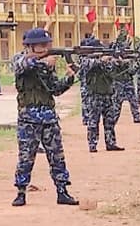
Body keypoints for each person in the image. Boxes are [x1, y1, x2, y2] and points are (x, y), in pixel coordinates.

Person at [9, 28, 78, 207]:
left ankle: (62, 191)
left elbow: (55, 89)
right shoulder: (20, 59)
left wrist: (69, 79)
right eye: (41, 45)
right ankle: (21, 192)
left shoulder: (48, 64)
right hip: (28, 118)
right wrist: (43, 62)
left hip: (49, 117)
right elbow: (21, 66)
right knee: (26, 158)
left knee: (57, 157)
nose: (46, 47)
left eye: (47, 45)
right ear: (30, 46)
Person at [77, 42, 124, 152]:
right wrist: (100, 60)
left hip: (108, 94)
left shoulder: (107, 60)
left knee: (110, 121)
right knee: (93, 122)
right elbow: (85, 66)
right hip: (94, 95)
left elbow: (113, 71)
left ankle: (111, 143)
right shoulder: (86, 59)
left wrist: (117, 61)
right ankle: (92, 144)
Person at [112, 32, 140, 124]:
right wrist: (125, 61)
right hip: (118, 82)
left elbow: (131, 72)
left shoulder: (127, 54)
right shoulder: (115, 52)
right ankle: (113, 121)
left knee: (133, 100)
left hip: (128, 81)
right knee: (117, 104)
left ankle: (136, 117)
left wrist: (137, 65)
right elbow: (116, 63)